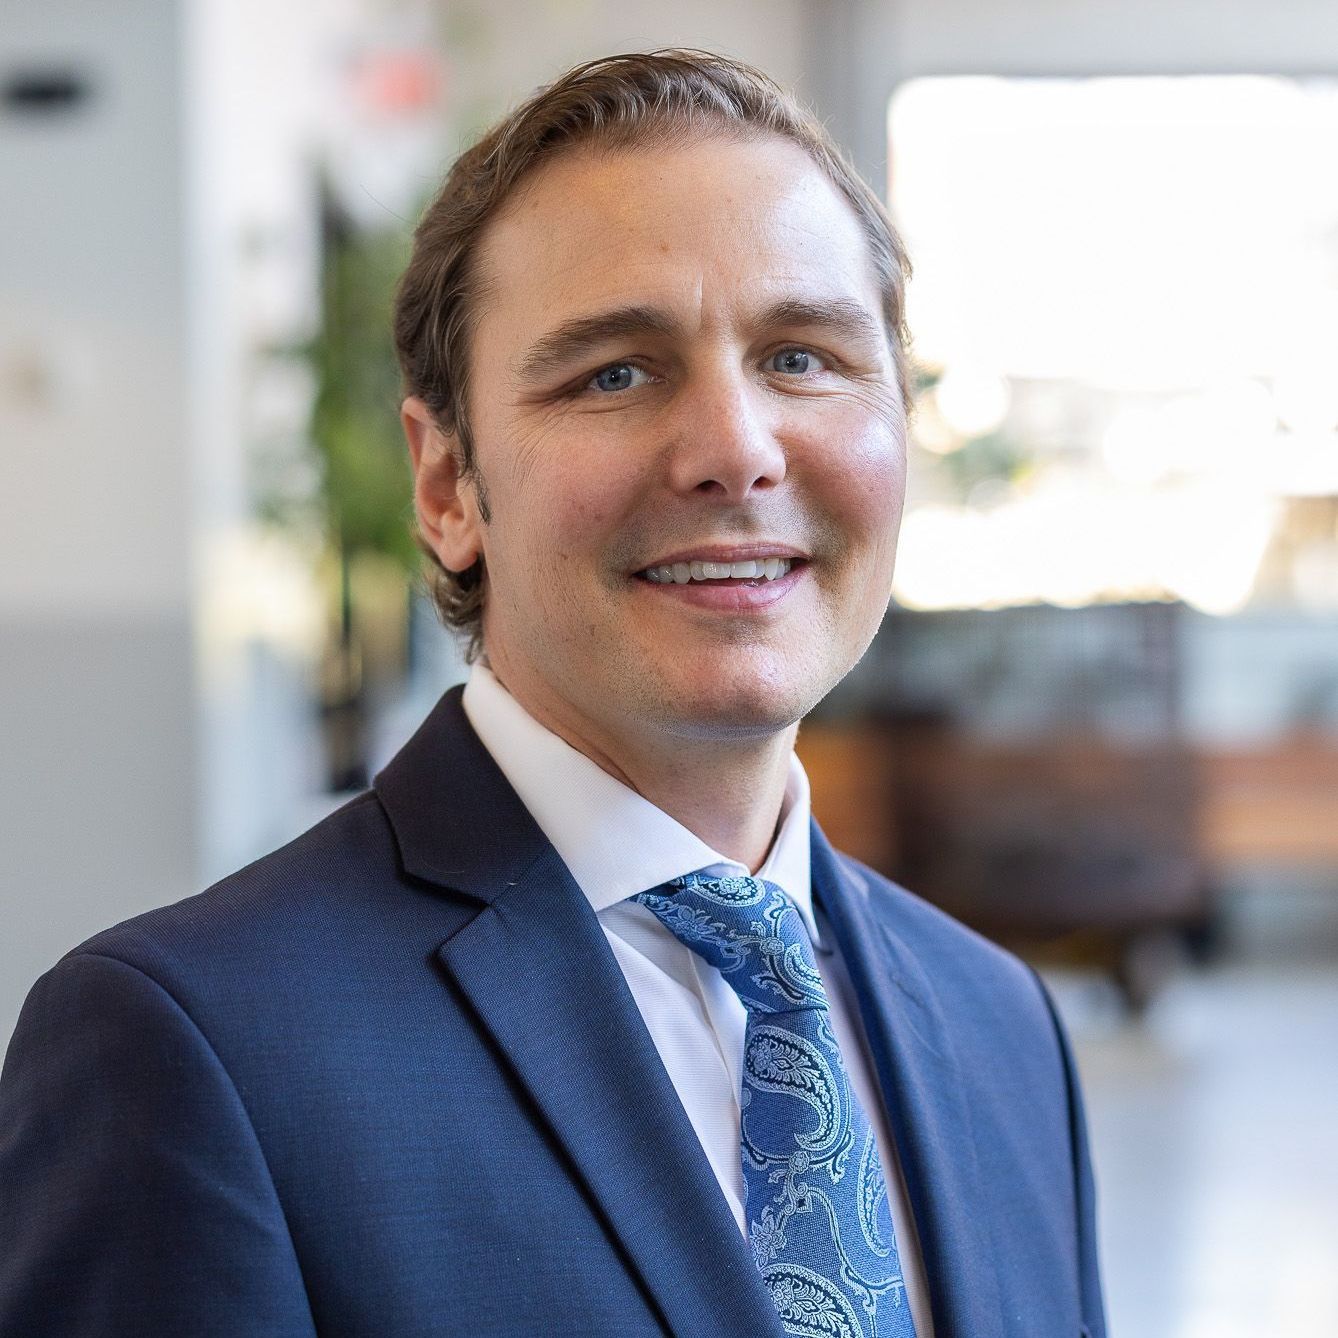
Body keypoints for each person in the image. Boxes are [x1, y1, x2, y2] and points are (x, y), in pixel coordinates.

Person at [0, 51, 1105, 1338]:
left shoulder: (999, 1024)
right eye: (615, 374)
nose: (737, 451)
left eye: (802, 357)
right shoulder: (195, 1053)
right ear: (448, 485)